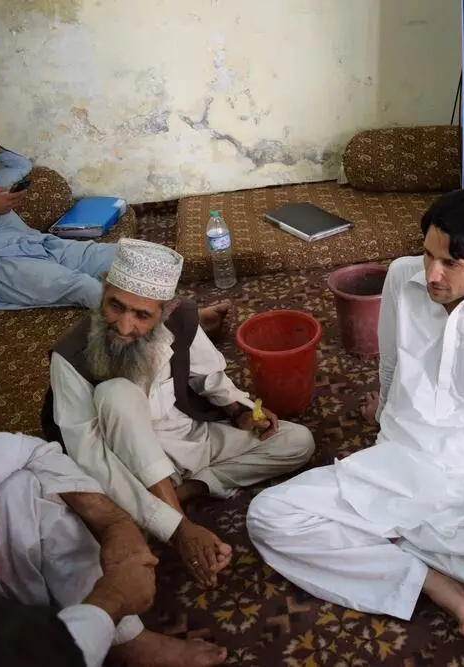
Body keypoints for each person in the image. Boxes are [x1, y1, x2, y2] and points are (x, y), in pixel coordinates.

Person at [246, 189, 464, 640]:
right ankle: (426, 578)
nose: (432, 273)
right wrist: (385, 412)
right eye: (428, 254)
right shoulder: (400, 277)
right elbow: (391, 360)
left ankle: (393, 541)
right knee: (268, 515)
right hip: (399, 462)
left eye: (450, 263)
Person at [0, 352, 228, 667]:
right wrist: (111, 600)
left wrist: (114, 525)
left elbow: (35, 453)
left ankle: (126, 642)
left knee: (21, 490)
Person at [44, 238, 316, 589]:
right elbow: (91, 456)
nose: (124, 326)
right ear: (103, 293)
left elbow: (208, 377)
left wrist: (240, 411)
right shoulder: (68, 357)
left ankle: (188, 490)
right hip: (126, 465)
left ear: (166, 311)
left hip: (188, 437)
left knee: (297, 441)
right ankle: (163, 508)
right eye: (115, 306)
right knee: (116, 393)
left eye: (142, 315)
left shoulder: (182, 318)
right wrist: (180, 530)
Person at [0, 119, 231, 337]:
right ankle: (189, 324)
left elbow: (21, 164)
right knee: (86, 287)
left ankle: (181, 312)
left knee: (132, 256)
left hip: (38, 244)